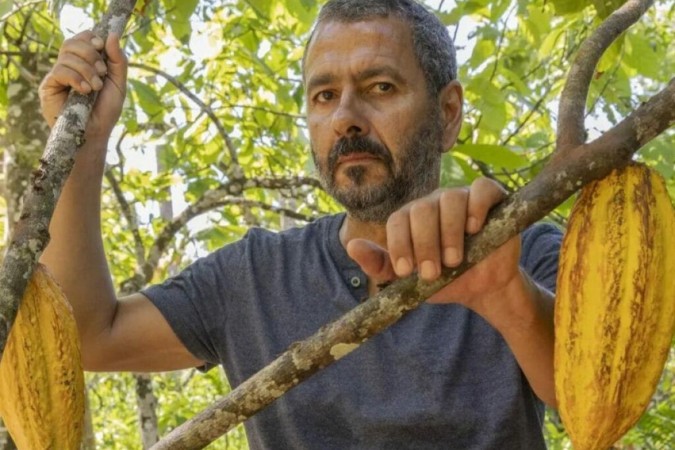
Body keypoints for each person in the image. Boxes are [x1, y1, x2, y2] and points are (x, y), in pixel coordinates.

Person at [39, 0, 562, 448]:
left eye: (380, 86)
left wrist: (506, 298)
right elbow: (86, 336)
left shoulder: (521, 252)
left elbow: (602, 392)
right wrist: (82, 148)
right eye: (324, 96)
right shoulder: (253, 278)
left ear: (448, 114)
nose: (346, 117)